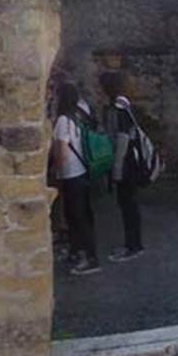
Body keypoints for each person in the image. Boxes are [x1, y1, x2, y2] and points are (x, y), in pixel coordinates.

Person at [52, 82, 100, 274]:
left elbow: (62, 152)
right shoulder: (78, 116)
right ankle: (75, 251)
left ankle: (90, 258)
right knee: (78, 216)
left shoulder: (63, 120)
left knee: (77, 217)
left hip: (71, 174)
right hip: (81, 172)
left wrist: (56, 171)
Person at [101, 73, 145, 262]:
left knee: (128, 204)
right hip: (128, 163)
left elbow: (123, 137)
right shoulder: (124, 105)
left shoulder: (119, 106)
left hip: (126, 164)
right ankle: (132, 243)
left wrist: (117, 167)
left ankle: (134, 246)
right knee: (128, 204)